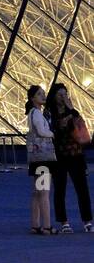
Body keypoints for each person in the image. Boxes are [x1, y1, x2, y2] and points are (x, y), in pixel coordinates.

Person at [46, 84, 93, 233]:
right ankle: (64, 222)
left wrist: (72, 109)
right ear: (54, 96)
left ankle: (87, 221)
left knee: (82, 189)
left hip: (76, 155)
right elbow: (50, 131)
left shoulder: (72, 112)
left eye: (65, 94)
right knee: (60, 189)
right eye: (60, 94)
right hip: (58, 156)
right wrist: (61, 123)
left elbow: (81, 126)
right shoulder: (49, 113)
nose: (63, 97)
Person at [25, 84, 56, 234]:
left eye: (43, 94)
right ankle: (47, 226)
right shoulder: (37, 113)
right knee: (44, 193)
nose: (43, 96)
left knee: (37, 192)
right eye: (39, 94)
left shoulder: (31, 113)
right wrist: (52, 134)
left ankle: (35, 225)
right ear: (32, 98)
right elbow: (42, 132)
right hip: (43, 159)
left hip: (36, 159)